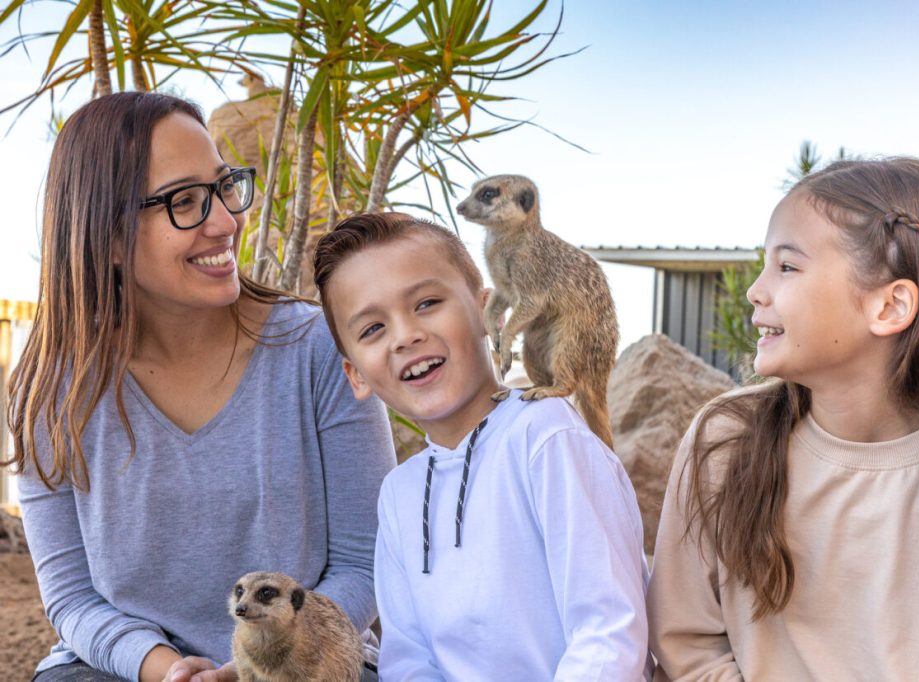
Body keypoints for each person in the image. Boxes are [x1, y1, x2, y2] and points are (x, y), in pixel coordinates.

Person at [6, 92, 396, 682]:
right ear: (106, 237)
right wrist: (167, 670)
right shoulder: (51, 391)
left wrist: (251, 667)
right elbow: (72, 599)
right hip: (123, 670)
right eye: (184, 201)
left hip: (307, 662)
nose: (225, 221)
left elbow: (363, 564)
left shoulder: (318, 350)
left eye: (224, 186)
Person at [647, 157, 919, 680]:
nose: (757, 291)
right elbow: (685, 649)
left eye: (786, 266)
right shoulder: (726, 442)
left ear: (891, 307)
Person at [313, 212, 651, 680]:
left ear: (490, 314)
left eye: (427, 302)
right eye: (372, 329)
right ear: (356, 376)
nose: (406, 335)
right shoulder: (400, 494)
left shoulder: (547, 439)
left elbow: (609, 631)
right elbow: (409, 660)